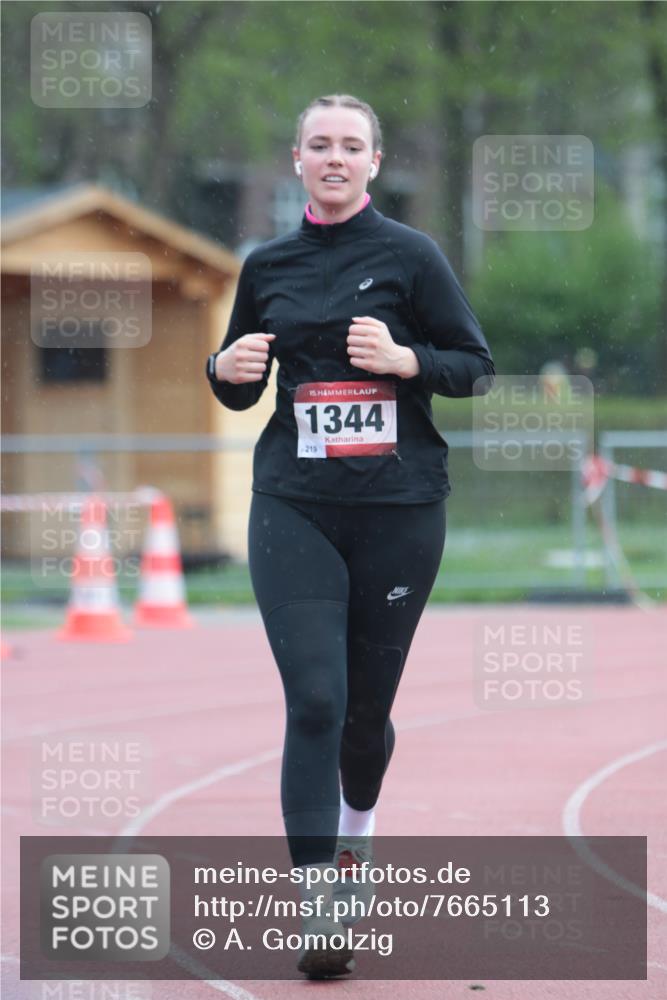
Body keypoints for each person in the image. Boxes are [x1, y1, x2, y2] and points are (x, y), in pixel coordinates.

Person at [205, 93, 495, 979]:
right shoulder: (267, 264)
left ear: (373, 163)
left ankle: (355, 843)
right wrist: (221, 369)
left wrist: (409, 362)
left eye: (351, 146)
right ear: (296, 160)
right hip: (293, 502)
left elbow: (475, 369)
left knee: (365, 717)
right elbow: (235, 382)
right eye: (319, 145)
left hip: (399, 511)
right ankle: (319, 912)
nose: (334, 158)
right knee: (316, 702)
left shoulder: (412, 257)